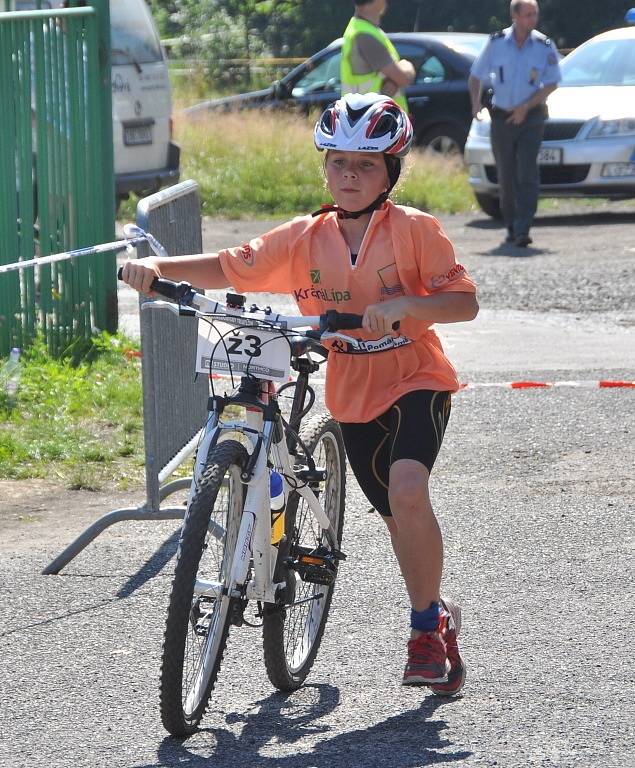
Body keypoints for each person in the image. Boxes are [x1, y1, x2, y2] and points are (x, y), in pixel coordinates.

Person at [121, 93, 478, 695]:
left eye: (365, 165)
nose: (348, 176)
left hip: (416, 378)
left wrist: (410, 306)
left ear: (390, 170)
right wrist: (159, 273)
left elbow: (463, 301)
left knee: (409, 490)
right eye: (338, 162)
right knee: (395, 518)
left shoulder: (416, 231)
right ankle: (439, 611)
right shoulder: (304, 237)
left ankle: (421, 629)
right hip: (351, 394)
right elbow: (230, 266)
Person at [468, 0, 561, 247]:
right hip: (502, 117)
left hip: (532, 117)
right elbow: (476, 75)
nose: (533, 19)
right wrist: (475, 104)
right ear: (516, 16)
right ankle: (511, 224)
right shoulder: (496, 43)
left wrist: (526, 107)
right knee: (506, 175)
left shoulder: (543, 45)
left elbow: (552, 82)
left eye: (536, 14)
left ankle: (523, 227)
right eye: (529, 14)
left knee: (527, 172)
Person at [341, 0, 415, 111]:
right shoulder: (365, 34)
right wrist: (407, 66)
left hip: (366, 118)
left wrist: (393, 82)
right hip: (375, 120)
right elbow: (403, 78)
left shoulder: (359, 28)